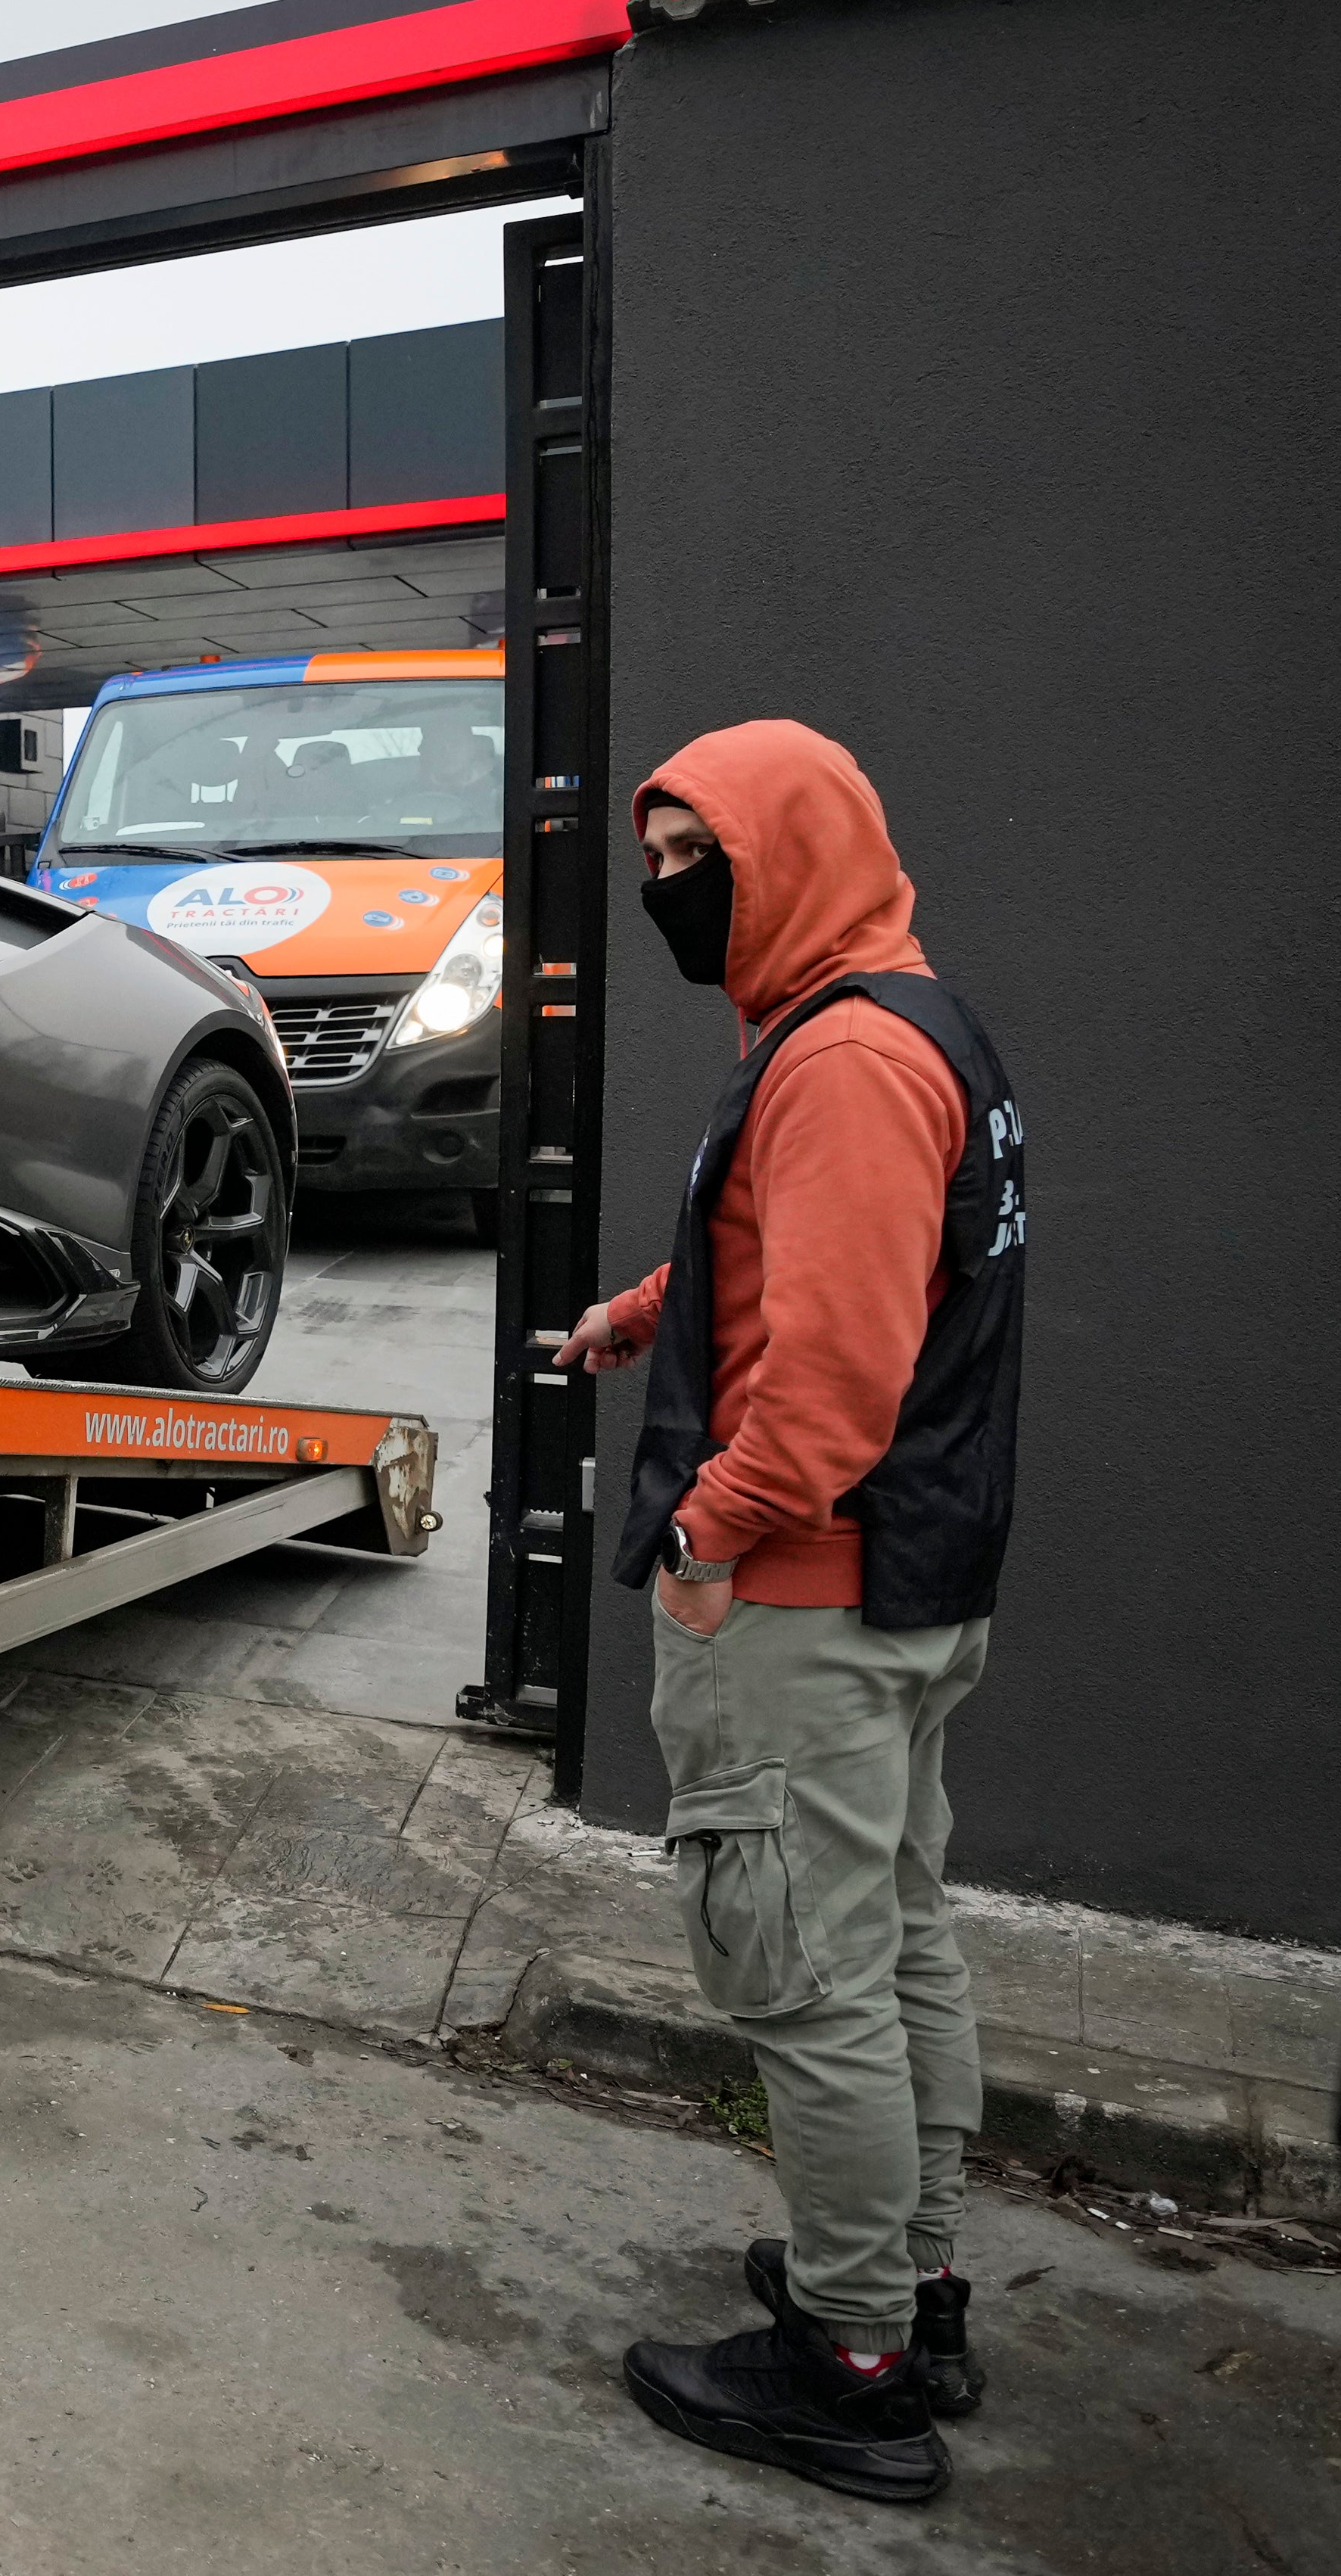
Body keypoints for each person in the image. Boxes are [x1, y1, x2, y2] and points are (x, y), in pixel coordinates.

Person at [549, 721, 1025, 2507]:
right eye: (653, 859)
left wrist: (698, 1534)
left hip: (809, 1604)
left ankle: (847, 2363)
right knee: (897, 1941)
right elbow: (813, 1253)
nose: (667, 890)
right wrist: (644, 1313)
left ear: (790, 852)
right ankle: (912, 2283)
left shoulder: (837, 1063)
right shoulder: (913, 1026)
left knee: (807, 1983)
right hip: (916, 1592)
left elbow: (826, 1389)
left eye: (693, 860)